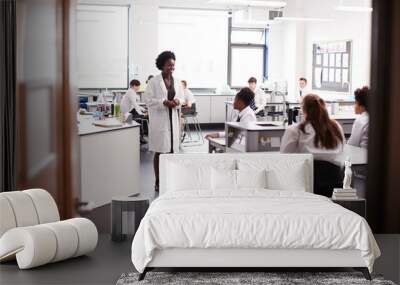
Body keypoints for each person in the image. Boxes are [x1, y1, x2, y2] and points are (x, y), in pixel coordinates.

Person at [145, 51, 184, 192]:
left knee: (173, 150)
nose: (171, 68)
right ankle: (158, 181)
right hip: (160, 121)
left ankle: (171, 180)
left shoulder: (178, 81)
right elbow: (148, 100)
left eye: (173, 65)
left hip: (173, 119)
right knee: (160, 151)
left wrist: (178, 101)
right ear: (162, 65)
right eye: (169, 65)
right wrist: (164, 102)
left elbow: (183, 97)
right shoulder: (154, 81)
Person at [280, 94, 345, 163]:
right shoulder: (336, 126)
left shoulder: (295, 130)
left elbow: (284, 157)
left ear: (304, 110)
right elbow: (342, 150)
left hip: (307, 173)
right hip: (335, 172)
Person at [121, 79, 148, 144]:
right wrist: (142, 114)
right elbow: (135, 104)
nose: (139, 87)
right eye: (138, 86)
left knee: (144, 115)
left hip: (128, 111)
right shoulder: (131, 92)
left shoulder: (131, 91)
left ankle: (142, 135)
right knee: (141, 118)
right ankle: (140, 137)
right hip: (127, 114)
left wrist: (143, 110)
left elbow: (135, 104)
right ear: (134, 86)